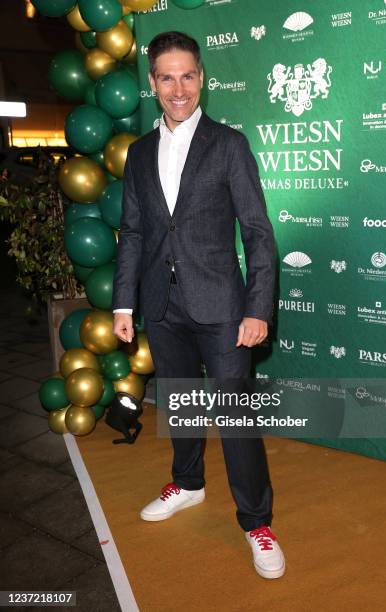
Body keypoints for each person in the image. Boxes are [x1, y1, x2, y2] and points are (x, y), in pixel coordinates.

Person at [112, 31, 285, 580]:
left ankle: (256, 521)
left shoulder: (228, 145)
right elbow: (134, 233)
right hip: (162, 306)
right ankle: (187, 483)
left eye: (188, 75)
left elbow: (257, 232)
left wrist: (258, 308)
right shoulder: (138, 154)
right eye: (167, 76)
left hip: (225, 308)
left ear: (202, 78)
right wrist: (123, 304)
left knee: (234, 419)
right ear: (153, 83)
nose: (178, 87)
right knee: (181, 404)